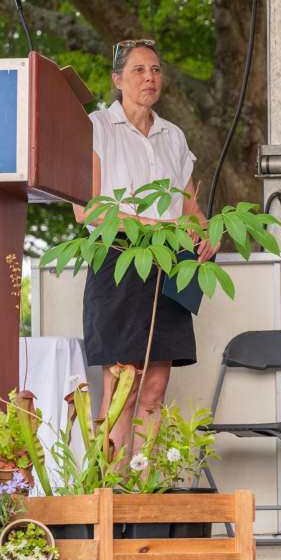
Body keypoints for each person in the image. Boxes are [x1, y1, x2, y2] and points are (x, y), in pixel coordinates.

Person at [77, 39, 216, 464]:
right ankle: (107, 491)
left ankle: (143, 490)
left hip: (170, 261)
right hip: (119, 258)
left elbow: (189, 205)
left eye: (155, 69)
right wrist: (152, 225)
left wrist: (205, 230)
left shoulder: (173, 134)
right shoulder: (95, 127)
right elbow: (86, 210)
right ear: (117, 80)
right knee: (123, 383)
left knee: (154, 388)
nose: (149, 78)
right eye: (138, 70)